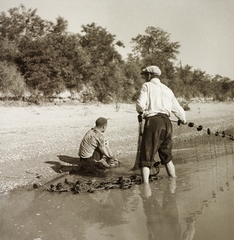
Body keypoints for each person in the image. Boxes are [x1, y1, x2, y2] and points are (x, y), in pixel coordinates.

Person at [136, 65, 187, 183]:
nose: (144, 77)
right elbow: (178, 109)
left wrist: (141, 112)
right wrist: (183, 119)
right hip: (167, 123)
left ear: (149, 75)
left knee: (146, 157)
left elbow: (140, 105)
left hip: (154, 123)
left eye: (145, 75)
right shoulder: (167, 89)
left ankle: (146, 189)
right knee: (167, 156)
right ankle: (173, 181)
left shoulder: (146, 86)